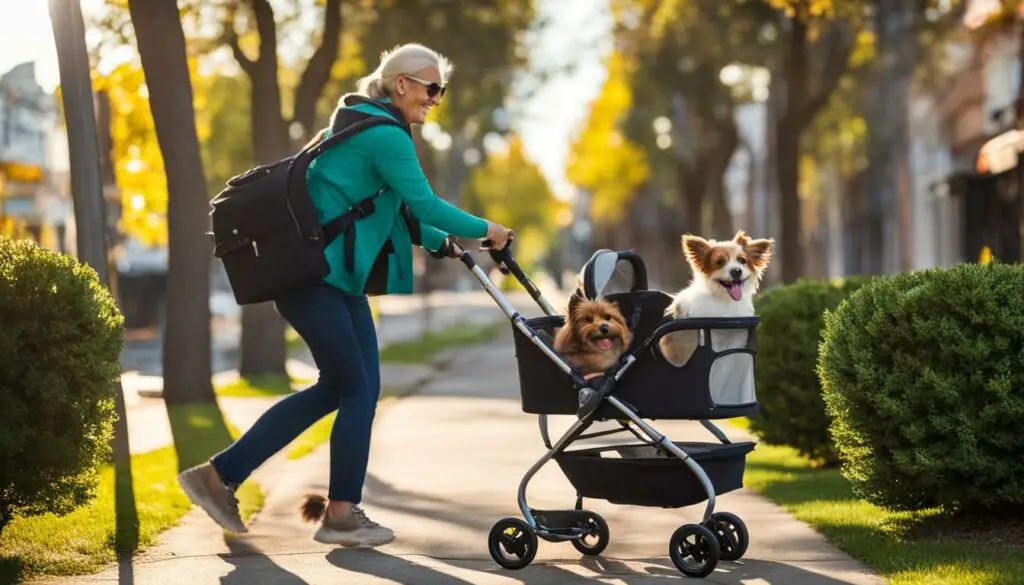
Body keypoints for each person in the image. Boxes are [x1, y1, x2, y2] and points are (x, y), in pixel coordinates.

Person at [177, 43, 513, 548]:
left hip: (337, 282)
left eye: (440, 90)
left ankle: (225, 477)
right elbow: (423, 201)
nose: (436, 99)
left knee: (353, 388)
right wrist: (489, 229)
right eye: (431, 88)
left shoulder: (364, 124)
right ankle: (335, 512)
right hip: (315, 279)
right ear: (401, 83)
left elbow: (393, 208)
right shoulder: (384, 134)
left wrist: (437, 239)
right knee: (352, 389)